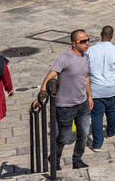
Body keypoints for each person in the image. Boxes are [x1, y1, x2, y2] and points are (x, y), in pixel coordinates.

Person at [33, 30, 93, 170]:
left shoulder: (86, 57)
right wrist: (41, 94)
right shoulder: (64, 58)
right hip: (65, 106)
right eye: (83, 41)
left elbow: (86, 77)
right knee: (64, 138)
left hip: (82, 103)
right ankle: (54, 159)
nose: (87, 43)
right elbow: (50, 77)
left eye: (87, 40)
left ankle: (77, 160)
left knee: (83, 134)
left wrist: (90, 96)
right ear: (73, 43)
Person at [87, 25, 115, 151]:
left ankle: (97, 144)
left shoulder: (91, 50)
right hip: (112, 88)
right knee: (112, 112)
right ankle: (111, 132)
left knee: (96, 117)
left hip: (96, 90)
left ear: (101, 34)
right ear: (111, 36)